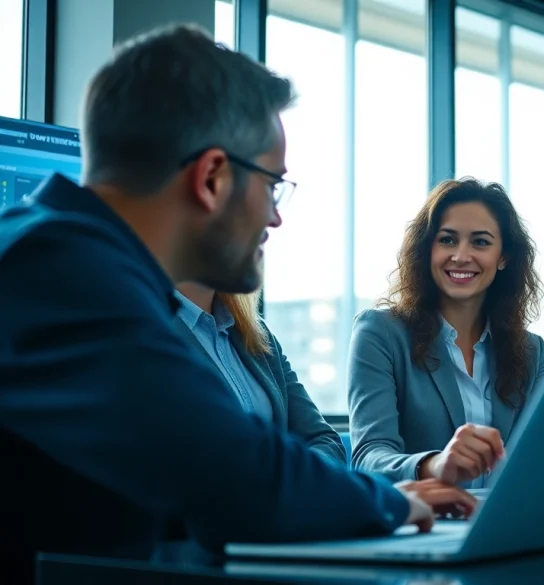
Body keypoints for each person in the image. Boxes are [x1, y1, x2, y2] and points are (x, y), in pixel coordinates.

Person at [0, 24, 472, 583]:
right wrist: (394, 502)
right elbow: (234, 470)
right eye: (273, 186)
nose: (275, 216)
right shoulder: (62, 270)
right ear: (213, 178)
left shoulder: (63, 255)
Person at [347, 178, 544, 488]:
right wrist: (434, 464)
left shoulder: (531, 352)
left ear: (504, 257)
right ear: (428, 249)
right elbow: (369, 457)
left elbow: (542, 460)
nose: (461, 256)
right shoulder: (380, 333)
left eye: (480, 242)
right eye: (447, 240)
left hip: (509, 527)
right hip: (424, 526)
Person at [175, 283, 346, 463]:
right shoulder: (152, 336)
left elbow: (324, 441)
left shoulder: (258, 336)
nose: (259, 253)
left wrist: (291, 482)